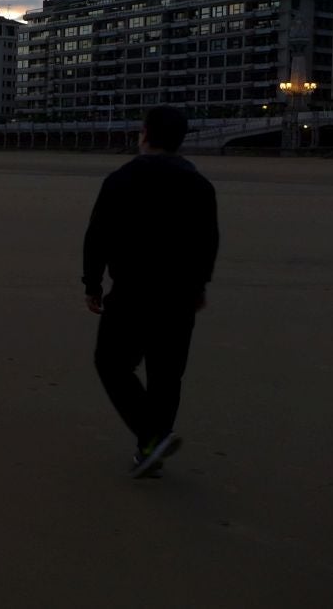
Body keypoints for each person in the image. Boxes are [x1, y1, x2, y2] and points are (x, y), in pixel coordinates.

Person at [82, 105, 218, 478]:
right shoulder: (199, 185)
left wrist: (92, 283)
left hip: (132, 291)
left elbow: (98, 236)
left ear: (144, 133)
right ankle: (150, 447)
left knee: (111, 363)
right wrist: (201, 284)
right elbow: (208, 241)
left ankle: (152, 437)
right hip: (179, 294)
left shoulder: (120, 179)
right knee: (166, 374)